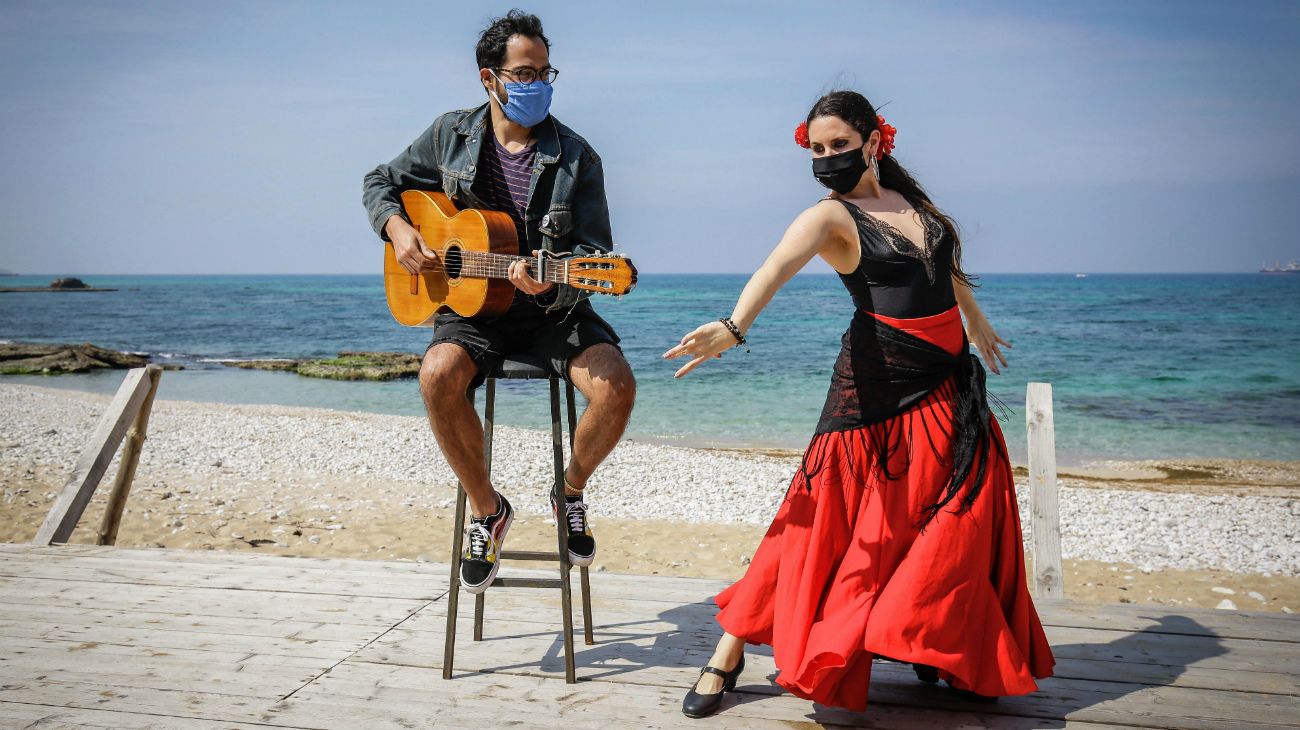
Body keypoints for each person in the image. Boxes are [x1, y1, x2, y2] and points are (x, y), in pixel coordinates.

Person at [664, 90, 1054, 718]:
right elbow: (773, 271)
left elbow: (940, 262)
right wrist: (733, 328)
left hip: (949, 384)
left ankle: (934, 643)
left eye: (839, 146)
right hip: (874, 392)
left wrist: (973, 316)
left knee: (949, 520)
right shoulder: (828, 218)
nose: (826, 159)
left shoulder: (915, 206)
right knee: (821, 520)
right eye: (816, 149)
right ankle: (728, 650)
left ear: (874, 141)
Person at [362, 10, 635, 594]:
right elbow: (379, 181)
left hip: (551, 312)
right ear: (491, 79)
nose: (537, 84)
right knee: (437, 375)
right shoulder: (449, 136)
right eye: (525, 73)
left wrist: (553, 280)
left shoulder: (578, 157)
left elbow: (593, 253)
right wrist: (398, 230)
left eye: (545, 72)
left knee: (616, 384)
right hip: (468, 312)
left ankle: (570, 492)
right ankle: (489, 511)